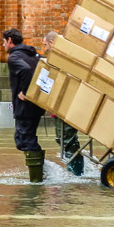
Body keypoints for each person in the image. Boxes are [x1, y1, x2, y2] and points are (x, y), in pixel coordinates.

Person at [2, 28, 46, 182]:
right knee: (23, 139)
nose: (3, 45)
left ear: (10, 41)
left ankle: (38, 177)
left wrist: (26, 92)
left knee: (25, 140)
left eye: (4, 42)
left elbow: (26, 70)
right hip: (37, 106)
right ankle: (41, 169)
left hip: (25, 107)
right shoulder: (34, 55)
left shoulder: (14, 57)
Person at [43, 31, 84, 176]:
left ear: (52, 42)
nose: (45, 49)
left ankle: (77, 172)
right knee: (63, 139)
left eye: (46, 45)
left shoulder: (62, 59)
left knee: (67, 140)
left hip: (65, 108)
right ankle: (75, 169)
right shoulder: (60, 59)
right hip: (60, 107)